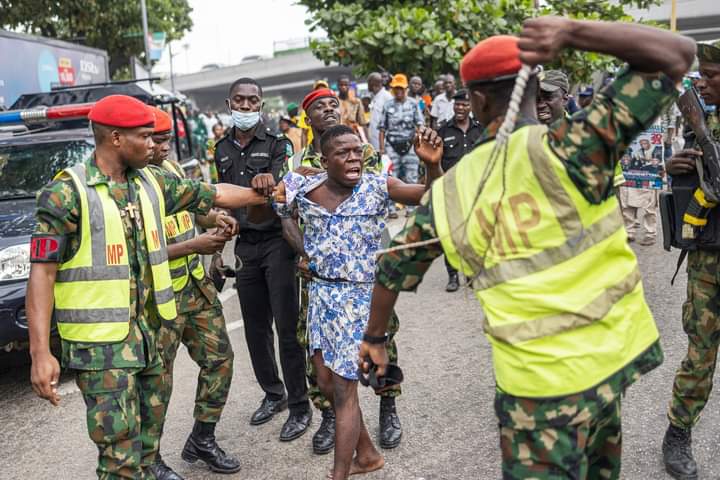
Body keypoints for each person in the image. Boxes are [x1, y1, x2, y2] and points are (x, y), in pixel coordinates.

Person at [358, 18, 694, 480]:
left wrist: (375, 340)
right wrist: (572, 32)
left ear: (476, 101)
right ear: (537, 88)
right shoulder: (577, 146)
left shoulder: (450, 192)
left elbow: (392, 268)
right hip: (609, 367)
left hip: (536, 394)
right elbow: (676, 53)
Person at [26, 94, 275, 479]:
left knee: (143, 451)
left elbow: (214, 193)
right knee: (120, 459)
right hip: (103, 350)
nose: (154, 144)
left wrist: (268, 193)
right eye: (144, 136)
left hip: (150, 337)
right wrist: (40, 353)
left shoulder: (151, 181)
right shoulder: (65, 194)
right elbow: (41, 275)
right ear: (115, 138)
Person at [275, 124, 443, 480]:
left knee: (343, 391)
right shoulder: (303, 187)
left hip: (360, 298)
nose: (354, 158)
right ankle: (366, 454)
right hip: (321, 295)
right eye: (344, 153)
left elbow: (431, 196)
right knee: (323, 380)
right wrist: (273, 192)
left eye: (357, 152)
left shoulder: (377, 186)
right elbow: (269, 210)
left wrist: (432, 166)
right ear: (324, 160)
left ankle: (339, 475)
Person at [284, 88, 405, 454]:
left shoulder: (362, 150)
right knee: (317, 349)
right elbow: (286, 217)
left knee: (382, 338)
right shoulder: (296, 165)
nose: (329, 110)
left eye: (333, 104)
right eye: (319, 107)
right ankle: (331, 418)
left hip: (364, 269)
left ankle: (388, 407)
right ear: (308, 117)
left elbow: (375, 188)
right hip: (321, 276)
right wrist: (304, 252)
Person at [214, 78, 312, 441]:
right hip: (244, 247)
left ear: (261, 105)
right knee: (255, 330)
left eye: (251, 100)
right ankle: (274, 394)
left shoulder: (277, 143)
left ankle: (300, 406)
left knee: (287, 329)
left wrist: (270, 183)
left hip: (276, 241)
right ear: (229, 103)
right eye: (239, 100)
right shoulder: (221, 147)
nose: (245, 106)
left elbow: (283, 191)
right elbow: (222, 198)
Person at [146, 108, 241, 478]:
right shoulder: (129, 184)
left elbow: (191, 212)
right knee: (156, 381)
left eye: (167, 139)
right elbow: (135, 252)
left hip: (194, 287)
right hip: (157, 298)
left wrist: (214, 219)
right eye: (156, 140)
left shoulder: (170, 170)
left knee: (220, 361)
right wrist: (193, 246)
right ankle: (150, 460)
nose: (164, 147)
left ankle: (202, 437)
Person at [661, 40, 720, 480]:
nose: (703, 81)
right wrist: (676, 165)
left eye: (711, 76)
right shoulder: (704, 123)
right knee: (701, 353)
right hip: (709, 259)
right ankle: (677, 433)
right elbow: (686, 169)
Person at [436, 89, 482, 292]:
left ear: (470, 106)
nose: (460, 108)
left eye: (464, 104)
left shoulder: (480, 130)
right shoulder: (443, 130)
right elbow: (434, 160)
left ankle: (471, 273)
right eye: (457, 104)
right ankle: (453, 275)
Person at [378, 74, 425, 217]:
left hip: (410, 145)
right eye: (395, 88)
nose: (398, 91)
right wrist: (382, 150)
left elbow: (420, 125)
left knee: (411, 178)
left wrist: (420, 142)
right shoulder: (387, 105)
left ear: (406, 89)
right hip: (392, 146)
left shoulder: (413, 104)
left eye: (401, 88)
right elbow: (381, 129)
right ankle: (391, 210)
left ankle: (411, 210)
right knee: (392, 178)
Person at [620, 136, 665, 245]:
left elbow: (658, 155)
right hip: (630, 171)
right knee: (626, 202)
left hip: (649, 173)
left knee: (649, 205)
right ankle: (629, 232)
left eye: (645, 143)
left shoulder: (654, 146)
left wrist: (661, 168)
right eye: (642, 143)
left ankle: (650, 233)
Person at [367, 72, 393, 152]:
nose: (367, 85)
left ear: (373, 83)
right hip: (374, 141)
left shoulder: (387, 97)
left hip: (384, 143)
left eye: (368, 82)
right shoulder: (374, 96)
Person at [337, 74, 368, 141]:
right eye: (341, 85)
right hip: (339, 135)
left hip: (354, 135)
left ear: (349, 86)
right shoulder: (334, 102)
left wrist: (367, 141)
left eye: (346, 85)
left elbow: (362, 122)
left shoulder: (356, 102)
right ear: (338, 86)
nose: (343, 87)